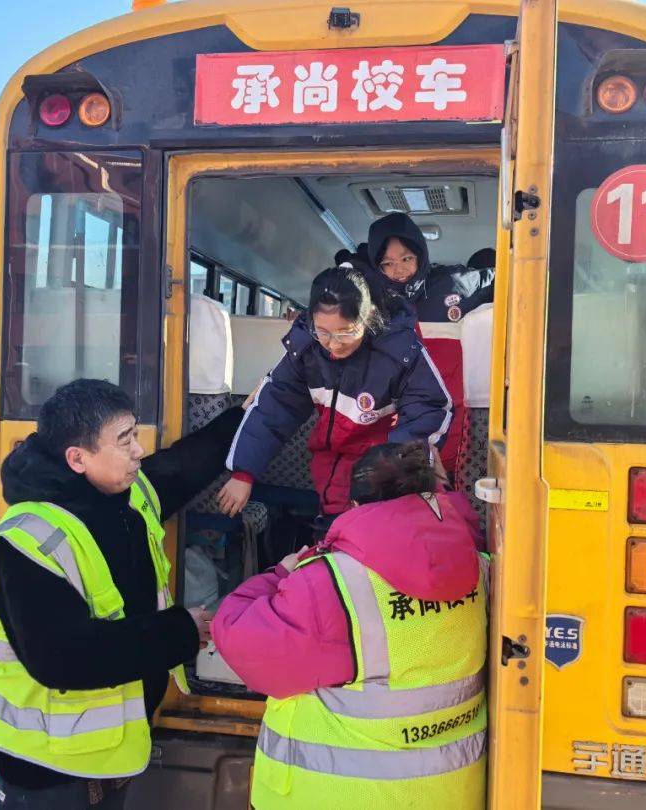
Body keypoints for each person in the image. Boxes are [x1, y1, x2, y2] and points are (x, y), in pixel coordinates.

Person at [0, 379, 251, 809]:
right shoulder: (29, 542)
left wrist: (245, 416)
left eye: (135, 434)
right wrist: (181, 632)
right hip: (50, 774)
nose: (139, 450)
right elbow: (64, 658)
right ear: (77, 458)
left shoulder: (126, 497)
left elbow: (181, 469)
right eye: (124, 440)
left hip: (107, 760)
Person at [213, 441, 488, 810]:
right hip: (450, 794)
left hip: (341, 797)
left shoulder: (331, 585)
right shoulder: (480, 566)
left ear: (355, 505)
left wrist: (281, 573)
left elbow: (240, 640)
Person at [217, 265, 452, 525]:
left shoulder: (400, 353)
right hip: (329, 469)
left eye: (346, 332)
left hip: (379, 471)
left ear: (368, 317)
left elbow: (428, 408)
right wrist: (244, 474)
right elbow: (276, 406)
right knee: (332, 532)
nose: (333, 344)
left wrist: (394, 470)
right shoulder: (306, 351)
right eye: (323, 332)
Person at [366, 213, 495, 475]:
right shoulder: (373, 303)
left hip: (454, 420)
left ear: (420, 255)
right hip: (398, 424)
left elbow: (506, 278)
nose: (398, 270)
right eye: (388, 263)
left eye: (406, 259)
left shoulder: (454, 284)